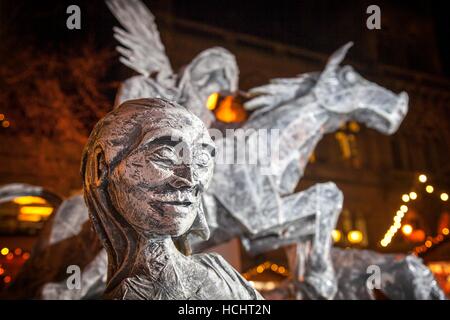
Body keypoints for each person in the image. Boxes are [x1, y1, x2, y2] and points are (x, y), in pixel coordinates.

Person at [81, 98, 262, 300]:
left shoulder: (220, 273)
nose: (190, 179)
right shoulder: (128, 294)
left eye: (202, 160)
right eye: (165, 156)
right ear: (101, 167)